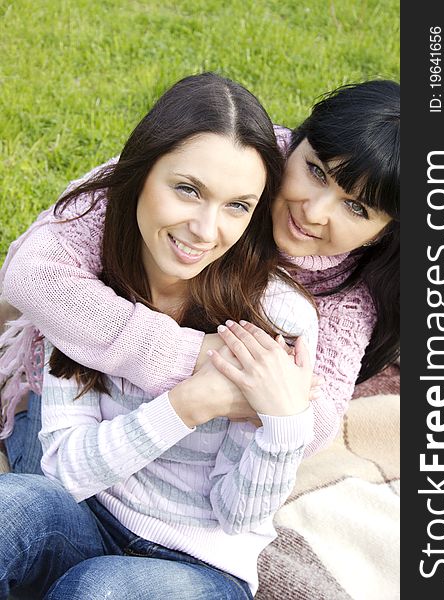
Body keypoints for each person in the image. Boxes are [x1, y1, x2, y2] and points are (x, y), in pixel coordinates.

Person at [0, 72, 319, 599]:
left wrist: (285, 425)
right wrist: (189, 404)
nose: (206, 229)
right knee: (11, 509)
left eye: (237, 205)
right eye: (188, 190)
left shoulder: (276, 317)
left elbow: (236, 514)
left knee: (99, 590)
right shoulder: (85, 289)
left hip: (199, 562)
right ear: (140, 174)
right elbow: (67, 470)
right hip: (89, 513)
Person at [0, 79, 400, 470]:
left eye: (357, 208)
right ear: (297, 143)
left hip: (195, 467)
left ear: (383, 233)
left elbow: (314, 426)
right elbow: (34, 275)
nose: (313, 212)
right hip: (85, 381)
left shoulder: (348, 298)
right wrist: (198, 356)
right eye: (316, 172)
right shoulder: (232, 156)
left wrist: (272, 398)